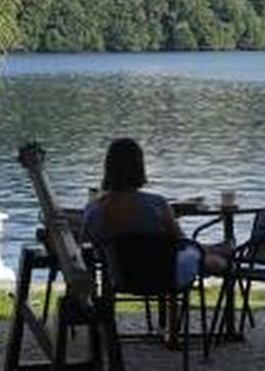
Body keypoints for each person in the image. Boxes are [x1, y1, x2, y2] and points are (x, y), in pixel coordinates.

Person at [82, 138, 230, 345]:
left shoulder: (94, 209)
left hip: (121, 277)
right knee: (203, 259)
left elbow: (88, 246)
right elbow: (181, 242)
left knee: (179, 254)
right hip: (166, 276)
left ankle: (214, 250)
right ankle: (218, 253)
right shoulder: (157, 204)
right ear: (139, 167)